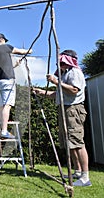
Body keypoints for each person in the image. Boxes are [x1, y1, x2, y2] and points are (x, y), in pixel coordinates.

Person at [33, 49, 91, 187]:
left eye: (62, 61)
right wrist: (42, 92)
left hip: (73, 109)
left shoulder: (75, 72)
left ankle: (85, 177)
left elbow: (74, 90)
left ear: (68, 60)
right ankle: (77, 172)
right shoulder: (64, 74)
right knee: (69, 142)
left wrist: (56, 81)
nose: (59, 64)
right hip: (65, 109)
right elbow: (59, 93)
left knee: (77, 142)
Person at [0, 33, 32, 139]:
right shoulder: (5, 47)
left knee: (1, 106)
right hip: (7, 82)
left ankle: (1, 129)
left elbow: (4, 68)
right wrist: (29, 51)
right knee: (7, 106)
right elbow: (20, 51)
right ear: (2, 39)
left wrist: (15, 65)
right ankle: (4, 131)